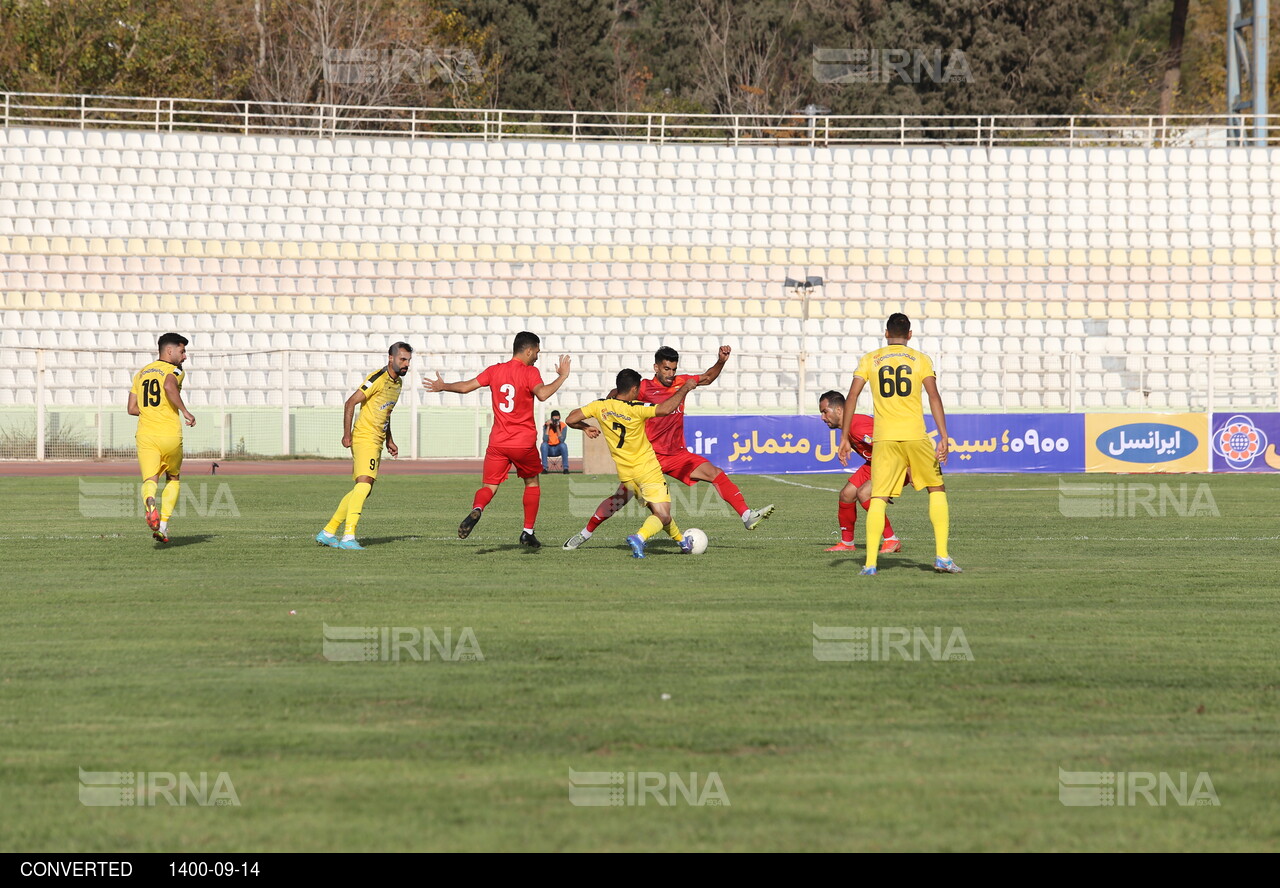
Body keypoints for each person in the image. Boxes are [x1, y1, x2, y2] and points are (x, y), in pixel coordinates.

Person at [562, 345, 774, 550]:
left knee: (715, 473)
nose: (671, 374)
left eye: (674, 369)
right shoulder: (642, 387)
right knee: (621, 500)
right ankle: (586, 533)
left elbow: (707, 378)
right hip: (649, 457)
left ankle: (747, 515)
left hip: (677, 454)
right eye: (666, 369)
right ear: (656, 368)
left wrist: (720, 361)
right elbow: (616, 394)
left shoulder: (680, 382)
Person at [838, 313, 961, 575]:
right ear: (909, 335)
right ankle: (942, 557)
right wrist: (943, 435)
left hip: (885, 438)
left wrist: (843, 436)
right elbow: (933, 396)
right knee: (936, 489)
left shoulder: (870, 359)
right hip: (916, 435)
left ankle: (870, 564)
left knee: (878, 496)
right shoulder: (920, 359)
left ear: (886, 333)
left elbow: (852, 396)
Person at [424, 331, 570, 548]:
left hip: (498, 444)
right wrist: (563, 376)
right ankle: (527, 532)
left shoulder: (495, 370)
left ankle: (477, 509)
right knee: (531, 482)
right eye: (537, 352)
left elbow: (465, 387)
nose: (537, 357)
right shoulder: (530, 372)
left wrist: (443, 386)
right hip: (522, 443)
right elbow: (542, 394)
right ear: (528, 350)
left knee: (489, 486)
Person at [564, 369, 700, 558]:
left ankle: (585, 534)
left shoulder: (600, 406)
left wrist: (585, 427)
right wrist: (685, 388)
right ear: (634, 389)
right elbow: (665, 409)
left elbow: (570, 419)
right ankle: (640, 537)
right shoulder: (636, 408)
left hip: (626, 473)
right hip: (647, 470)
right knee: (662, 514)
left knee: (619, 500)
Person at [316, 342, 413, 550]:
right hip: (364, 438)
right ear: (391, 358)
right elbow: (350, 402)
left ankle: (328, 531)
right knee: (364, 485)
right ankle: (348, 537)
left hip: (377, 439)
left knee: (363, 489)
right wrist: (346, 434)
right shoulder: (376, 378)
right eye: (402, 359)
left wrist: (389, 439)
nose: (406, 364)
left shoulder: (397, 384)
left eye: (408, 360)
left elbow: (384, 413)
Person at [127, 332, 195, 543]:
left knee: (150, 480)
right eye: (182, 351)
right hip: (169, 434)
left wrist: (150, 413)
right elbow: (168, 385)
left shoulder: (141, 373)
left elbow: (131, 408)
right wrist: (185, 411)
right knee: (173, 478)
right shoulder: (175, 369)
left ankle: (149, 501)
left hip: (146, 435)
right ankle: (163, 527)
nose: (184, 357)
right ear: (170, 350)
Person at [817, 390, 901, 554]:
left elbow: (891, 445)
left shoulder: (857, 426)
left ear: (839, 410)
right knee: (847, 494)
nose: (823, 417)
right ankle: (847, 543)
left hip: (893, 462)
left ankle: (892, 540)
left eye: (825, 412)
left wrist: (891, 481)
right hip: (875, 463)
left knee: (864, 493)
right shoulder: (848, 428)